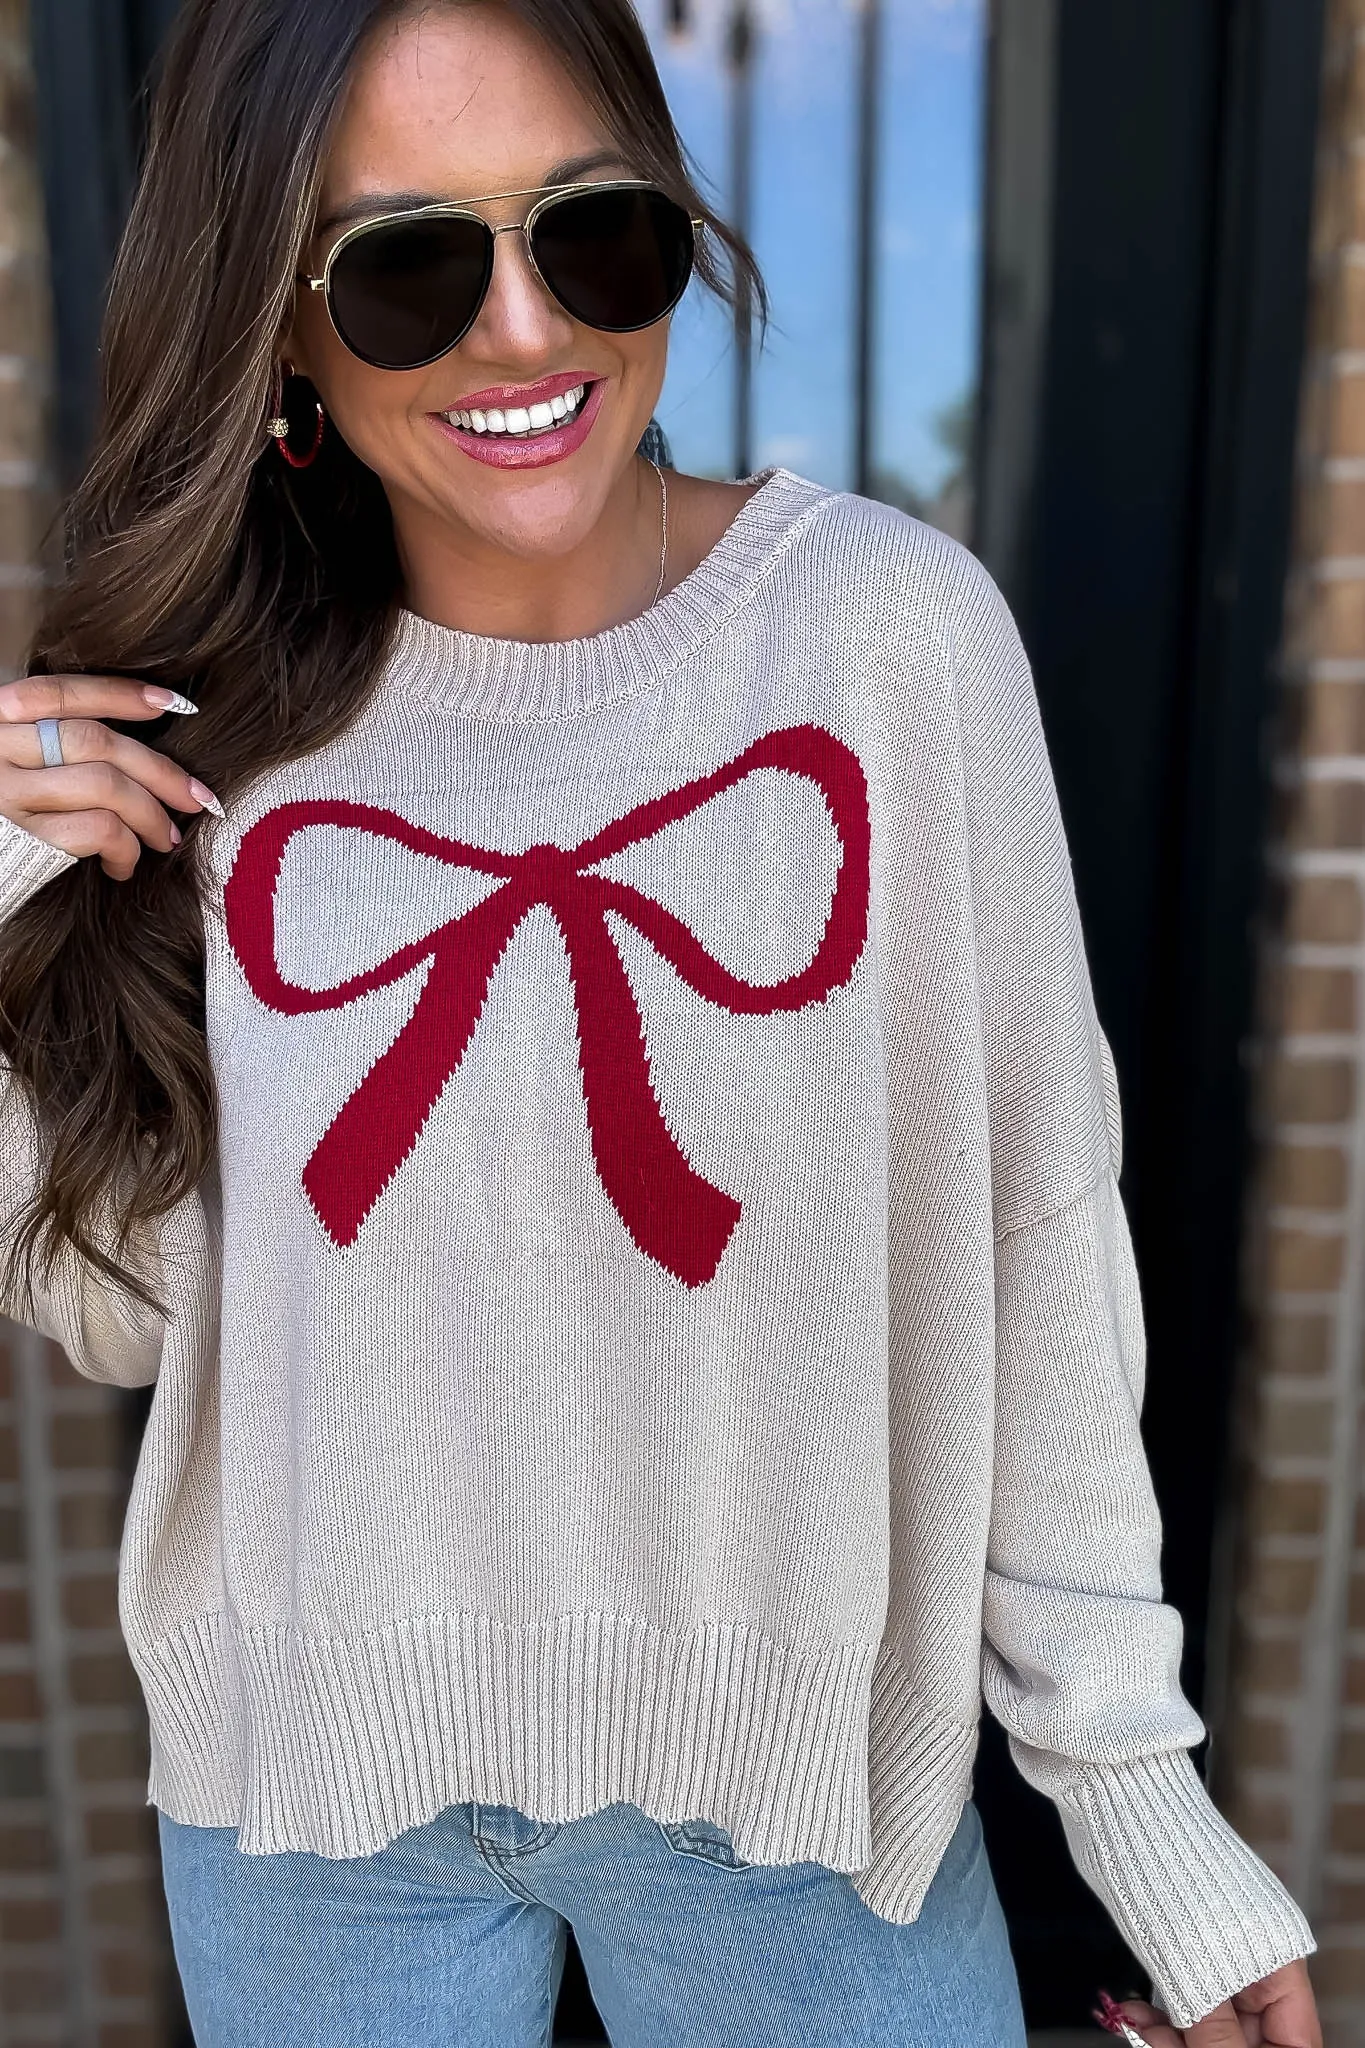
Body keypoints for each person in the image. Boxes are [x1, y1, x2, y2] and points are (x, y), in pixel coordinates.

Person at [0, 2, 1323, 2043]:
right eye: (407, 266)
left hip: (795, 1810)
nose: (523, 331)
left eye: (591, 231)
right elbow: (126, 1305)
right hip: (313, 1808)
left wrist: (1137, 1806)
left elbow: (1036, 1237)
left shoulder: (889, 648)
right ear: (279, 326)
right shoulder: (216, 735)